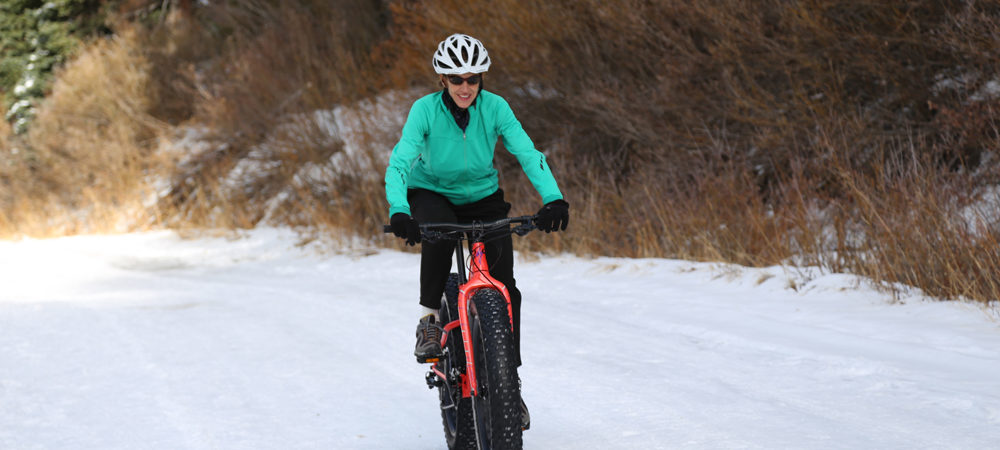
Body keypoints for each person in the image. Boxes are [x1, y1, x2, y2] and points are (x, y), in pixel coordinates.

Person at [385, 33, 569, 429]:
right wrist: (400, 210)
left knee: (505, 288)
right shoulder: (424, 110)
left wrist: (553, 199)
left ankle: (508, 384)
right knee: (439, 236)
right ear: (443, 80)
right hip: (432, 191)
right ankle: (429, 320)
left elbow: (527, 152)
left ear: (481, 78)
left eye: (472, 79)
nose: (465, 87)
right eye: (456, 79)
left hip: (483, 196)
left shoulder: (496, 107)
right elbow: (400, 161)